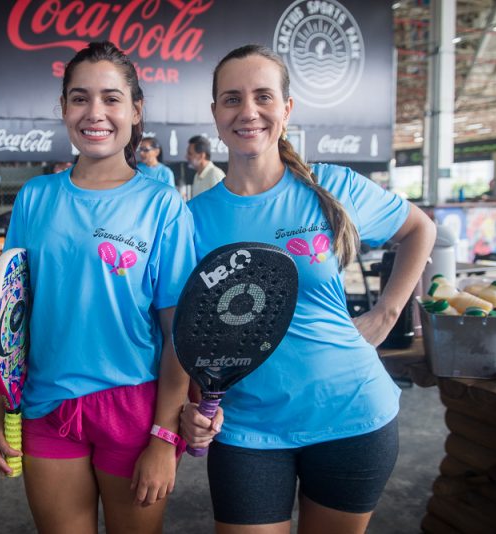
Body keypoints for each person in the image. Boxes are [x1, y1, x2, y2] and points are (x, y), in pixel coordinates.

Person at [180, 44, 436, 534]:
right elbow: (188, 329)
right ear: (215, 114)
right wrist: (192, 403)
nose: (248, 111)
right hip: (245, 429)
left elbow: (420, 229)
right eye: (231, 99)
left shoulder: (333, 187)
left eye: (263, 97)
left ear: (287, 108)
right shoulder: (190, 220)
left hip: (353, 416)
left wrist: (385, 314)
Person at [0, 41, 196, 534]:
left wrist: (165, 438)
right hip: (45, 404)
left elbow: (178, 337)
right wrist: (2, 405)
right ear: (63, 109)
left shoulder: (164, 207)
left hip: (135, 409)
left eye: (111, 98)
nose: (94, 112)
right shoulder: (35, 199)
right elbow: (10, 318)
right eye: (79, 98)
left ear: (135, 109)